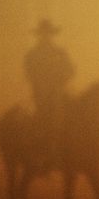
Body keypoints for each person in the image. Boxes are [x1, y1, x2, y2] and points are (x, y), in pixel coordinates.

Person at [24, 18, 74, 165]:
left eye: (48, 33)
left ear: (51, 35)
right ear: (40, 35)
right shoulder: (32, 55)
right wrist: (43, 83)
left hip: (59, 91)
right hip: (42, 93)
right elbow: (30, 73)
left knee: (74, 112)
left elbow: (70, 69)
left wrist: (63, 78)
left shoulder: (60, 52)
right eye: (43, 34)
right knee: (44, 117)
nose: (46, 36)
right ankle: (41, 149)